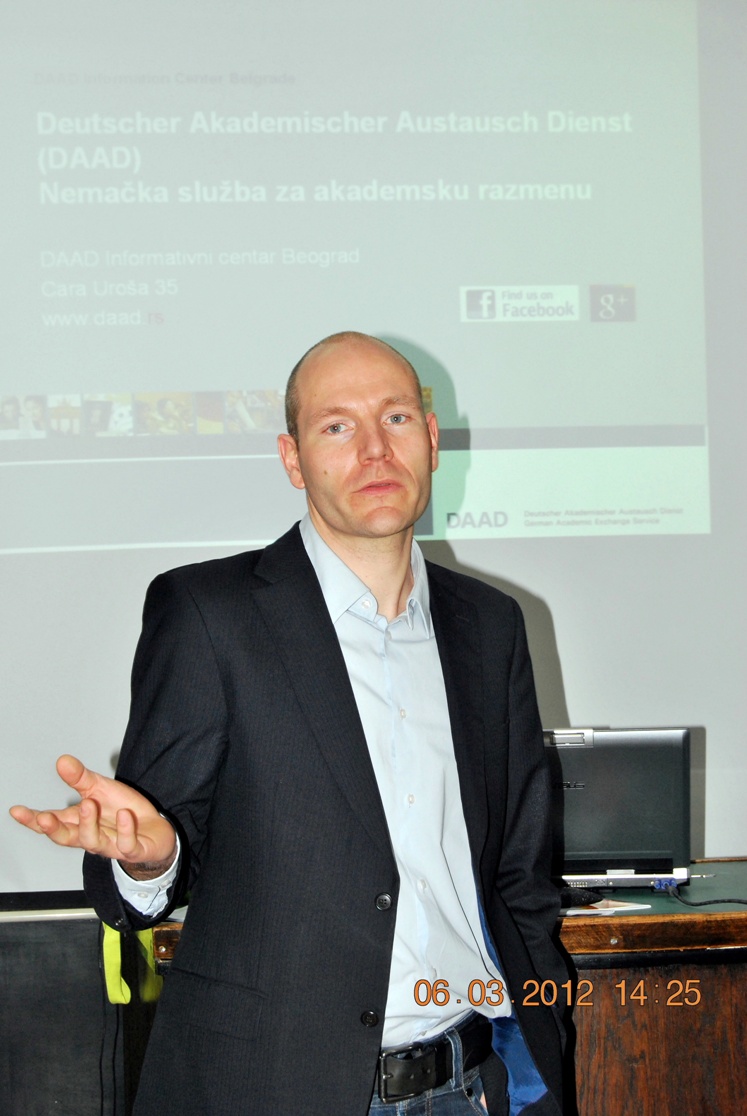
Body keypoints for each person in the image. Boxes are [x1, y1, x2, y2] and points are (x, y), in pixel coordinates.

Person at [10, 332, 567, 1116]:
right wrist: (152, 857)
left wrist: (543, 1048)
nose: (374, 449)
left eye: (396, 418)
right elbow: (138, 867)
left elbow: (519, 877)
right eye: (337, 426)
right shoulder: (211, 615)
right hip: (272, 1089)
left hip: (468, 1086)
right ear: (292, 459)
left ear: (432, 439)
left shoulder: (490, 624)